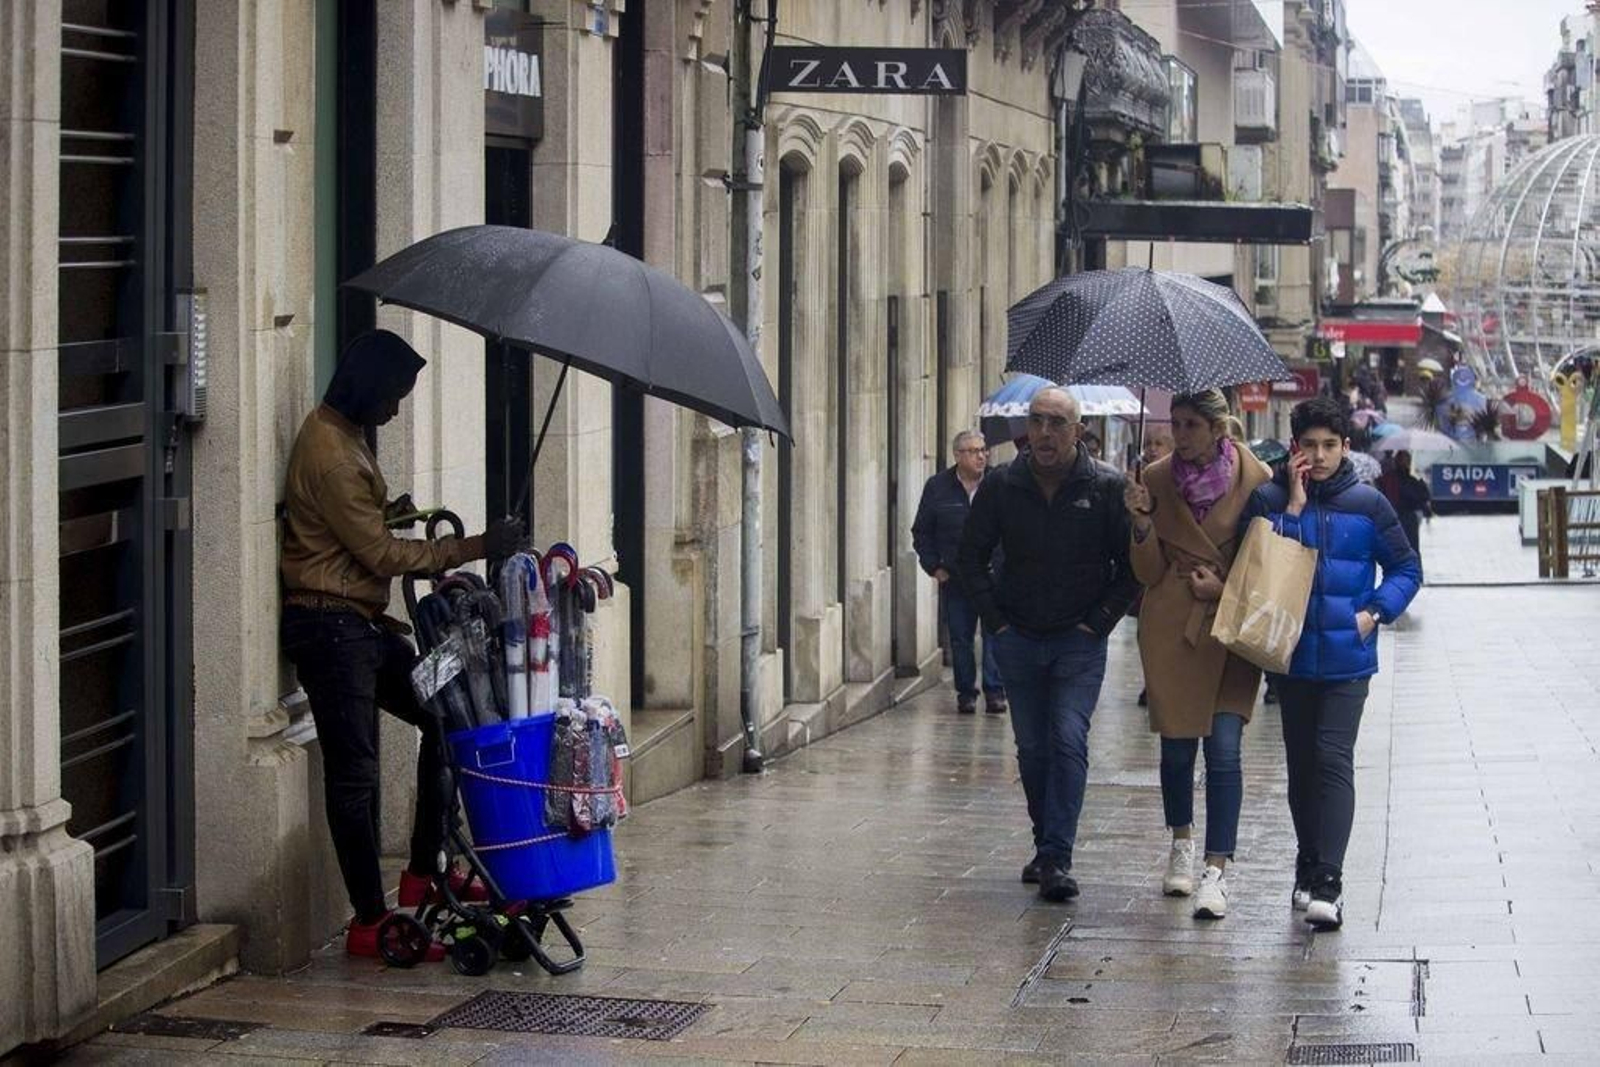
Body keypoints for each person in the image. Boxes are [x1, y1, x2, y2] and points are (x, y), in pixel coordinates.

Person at [280, 329, 522, 959]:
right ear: (369, 389)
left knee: (441, 718)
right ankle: (368, 920)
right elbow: (380, 555)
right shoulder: (332, 452)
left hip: (359, 627)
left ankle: (423, 869)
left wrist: (394, 512)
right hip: (331, 630)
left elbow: (359, 531)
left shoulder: (346, 436)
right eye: (394, 397)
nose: (395, 410)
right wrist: (475, 548)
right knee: (355, 773)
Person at [1243, 397, 1421, 930]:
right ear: (1295, 448)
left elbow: (1407, 568)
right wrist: (1293, 509)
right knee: (1300, 765)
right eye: (1309, 446)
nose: (1318, 456)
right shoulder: (1269, 499)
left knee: (1331, 757)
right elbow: (1261, 568)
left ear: (1346, 447)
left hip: (1348, 658)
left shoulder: (1368, 505)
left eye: (1329, 446)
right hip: (1290, 657)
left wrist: (1374, 611)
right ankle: (1306, 861)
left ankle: (1329, 881)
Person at [958, 387, 1138, 902]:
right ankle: (1045, 843)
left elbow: (1130, 570)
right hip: (1017, 637)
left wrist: (1097, 624)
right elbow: (971, 556)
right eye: (1036, 420)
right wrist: (995, 623)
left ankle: (1058, 856)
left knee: (1067, 739)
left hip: (1077, 642)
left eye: (1056, 422)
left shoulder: (1104, 487)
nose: (1043, 432)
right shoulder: (1002, 485)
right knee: (1033, 750)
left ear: (1078, 431)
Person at [1124, 391, 1271, 920]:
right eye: (1175, 424)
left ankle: (1217, 869)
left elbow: (1269, 562)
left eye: (1190, 425)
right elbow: (1146, 572)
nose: (1180, 435)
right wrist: (1141, 522)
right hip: (1172, 628)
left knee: (1226, 748)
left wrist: (1224, 586)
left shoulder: (1259, 482)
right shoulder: (1156, 480)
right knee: (1178, 749)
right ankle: (1181, 842)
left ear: (1217, 429)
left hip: (1230, 625)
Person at [912, 430, 1006, 715]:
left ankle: (994, 691)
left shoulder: (999, 483)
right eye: (974, 451)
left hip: (994, 577)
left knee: (995, 635)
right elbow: (921, 531)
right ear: (958, 455)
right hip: (957, 578)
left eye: (983, 450)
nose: (981, 456)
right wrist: (934, 567)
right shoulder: (938, 487)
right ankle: (966, 692)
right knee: (961, 639)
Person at [1132, 428, 1174, 708]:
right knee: (1145, 632)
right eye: (1148, 443)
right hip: (1145, 566)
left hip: (1172, 571)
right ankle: (1152, 681)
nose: (1151, 449)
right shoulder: (1139, 478)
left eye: (1159, 444)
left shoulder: (1171, 480)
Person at [1378, 450, 1432, 574]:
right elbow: (1421, 498)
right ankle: (1413, 572)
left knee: (1400, 548)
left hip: (1396, 517)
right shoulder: (1409, 480)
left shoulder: (1389, 479)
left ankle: (1402, 572)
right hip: (1405, 518)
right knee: (1411, 547)